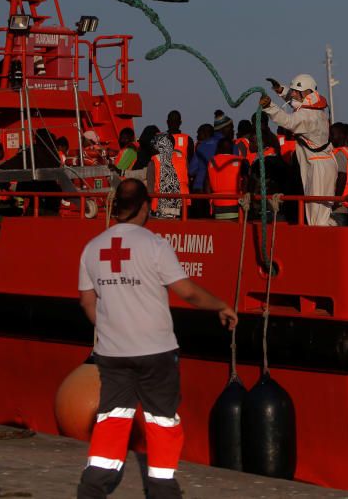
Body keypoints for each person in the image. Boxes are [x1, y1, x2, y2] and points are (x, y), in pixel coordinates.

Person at [76, 179, 237, 499]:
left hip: (112, 353)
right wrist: (222, 305)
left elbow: (86, 301)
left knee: (112, 419)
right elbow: (188, 292)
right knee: (161, 420)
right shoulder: (154, 245)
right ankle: (162, 490)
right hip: (156, 352)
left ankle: (92, 490)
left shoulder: (92, 248)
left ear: (116, 207)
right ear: (146, 207)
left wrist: (109, 329)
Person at [260, 74, 337, 226]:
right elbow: (296, 103)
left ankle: (322, 246)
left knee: (318, 218)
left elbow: (288, 121)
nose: (293, 93)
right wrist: (281, 90)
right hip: (319, 164)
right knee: (318, 214)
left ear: (306, 92)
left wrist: (269, 106)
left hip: (318, 168)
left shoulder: (309, 116)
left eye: (296, 91)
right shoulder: (314, 105)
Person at [147, 132, 188, 219]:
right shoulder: (182, 158)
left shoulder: (154, 161)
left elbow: (150, 190)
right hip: (182, 204)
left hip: (162, 205)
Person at [206, 138, 246, 220]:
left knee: (220, 229)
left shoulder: (211, 161)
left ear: (218, 148)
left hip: (217, 203)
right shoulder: (240, 161)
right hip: (235, 202)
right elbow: (246, 180)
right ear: (232, 148)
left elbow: (207, 184)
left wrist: (210, 200)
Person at [330, 123, 348, 226]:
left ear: (341, 135)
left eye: (333, 135)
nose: (330, 138)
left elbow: (342, 176)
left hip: (340, 204)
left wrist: (336, 200)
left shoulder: (339, 154)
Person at [166, 110, 194, 178]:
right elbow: (191, 162)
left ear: (167, 122)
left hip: (164, 181)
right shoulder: (188, 139)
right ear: (180, 122)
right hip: (183, 180)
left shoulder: (160, 140)